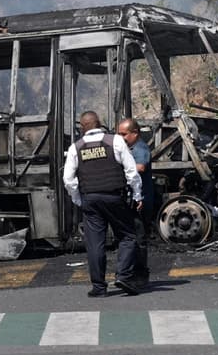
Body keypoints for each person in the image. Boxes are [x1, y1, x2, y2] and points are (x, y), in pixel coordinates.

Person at [63, 111, 143, 297]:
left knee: (95, 244)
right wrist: (138, 195)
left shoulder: (76, 148)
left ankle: (99, 287)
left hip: (90, 200)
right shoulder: (115, 141)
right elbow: (131, 172)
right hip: (114, 197)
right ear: (99, 123)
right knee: (127, 236)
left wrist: (78, 199)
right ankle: (123, 276)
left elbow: (68, 179)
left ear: (82, 127)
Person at [117, 118, 154, 287]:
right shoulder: (128, 148)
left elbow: (140, 167)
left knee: (139, 238)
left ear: (135, 133)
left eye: (124, 134)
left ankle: (140, 274)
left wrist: (120, 168)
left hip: (141, 200)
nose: (121, 137)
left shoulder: (140, 148)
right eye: (119, 134)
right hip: (132, 199)